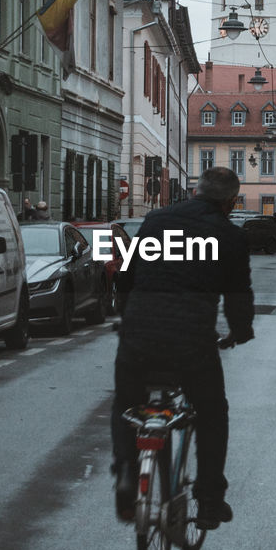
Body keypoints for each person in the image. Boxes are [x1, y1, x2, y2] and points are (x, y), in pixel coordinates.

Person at [111, 166, 254, 528]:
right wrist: (239, 332)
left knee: (126, 400)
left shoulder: (156, 221)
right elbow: (239, 296)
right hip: (192, 343)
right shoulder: (230, 236)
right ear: (230, 202)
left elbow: (127, 275)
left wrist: (128, 318)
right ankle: (208, 500)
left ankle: (127, 473)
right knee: (211, 412)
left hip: (138, 335)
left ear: (194, 192)